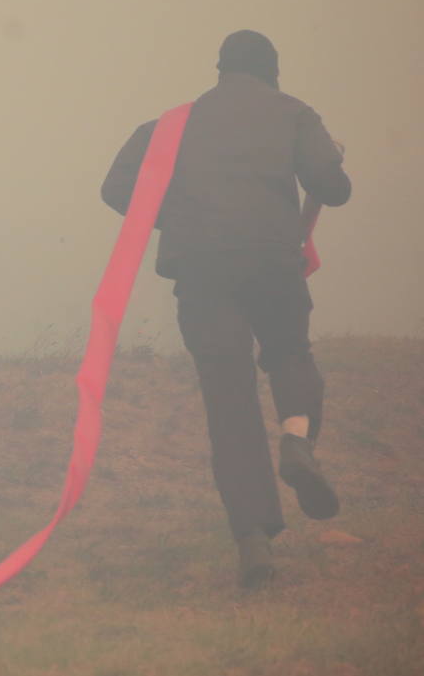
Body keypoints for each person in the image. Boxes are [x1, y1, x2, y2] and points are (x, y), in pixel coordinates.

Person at [101, 30, 351, 589]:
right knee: (288, 352)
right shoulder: (293, 113)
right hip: (273, 263)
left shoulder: (168, 126)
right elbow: (332, 187)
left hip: (201, 271)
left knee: (228, 398)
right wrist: (333, 162)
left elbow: (117, 187)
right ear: (273, 72)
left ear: (219, 71)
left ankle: (252, 537)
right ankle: (295, 439)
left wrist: (183, 219)